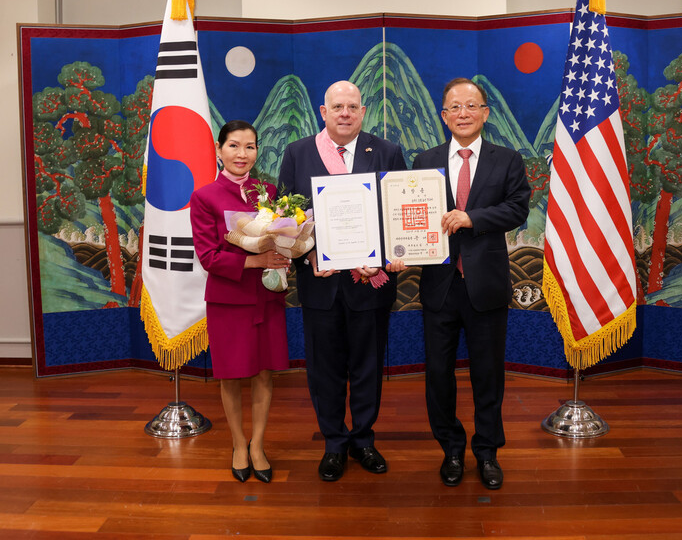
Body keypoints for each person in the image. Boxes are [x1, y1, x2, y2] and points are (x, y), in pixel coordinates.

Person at [388, 78, 530, 490]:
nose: (463, 113)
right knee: (438, 374)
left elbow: (518, 208)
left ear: (486, 113)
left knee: (489, 375)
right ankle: (450, 447)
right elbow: (409, 215)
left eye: (471, 106)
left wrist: (473, 218)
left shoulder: (507, 159)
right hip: (439, 284)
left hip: (485, 284)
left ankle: (487, 452)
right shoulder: (424, 160)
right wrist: (399, 250)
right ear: (443, 116)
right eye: (454, 107)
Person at [278, 80, 406, 481]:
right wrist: (310, 252)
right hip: (321, 283)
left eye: (353, 106)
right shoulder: (298, 153)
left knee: (368, 367)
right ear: (323, 111)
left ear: (363, 111)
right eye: (338, 107)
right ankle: (334, 442)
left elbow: (398, 212)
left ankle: (364, 440)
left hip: (369, 284)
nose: (345, 113)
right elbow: (286, 219)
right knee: (324, 369)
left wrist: (384, 257)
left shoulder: (386, 151)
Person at [190, 119, 291, 483]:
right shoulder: (204, 197)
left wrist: (287, 250)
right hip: (229, 299)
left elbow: (282, 237)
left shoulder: (269, 191)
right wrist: (256, 259)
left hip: (266, 295)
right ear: (219, 150)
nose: (242, 154)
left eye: (250, 146)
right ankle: (237, 443)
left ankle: (259, 444)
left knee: (265, 372)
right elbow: (209, 257)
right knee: (231, 375)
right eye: (234, 146)